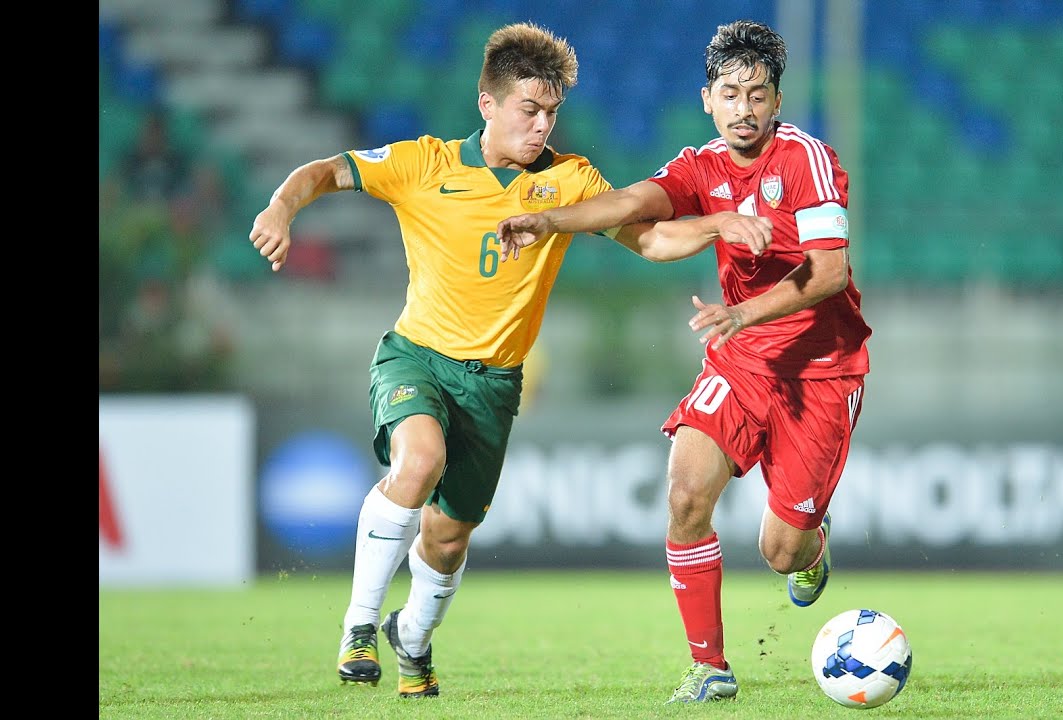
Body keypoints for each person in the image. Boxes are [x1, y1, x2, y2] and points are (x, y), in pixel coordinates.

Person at [247, 22, 773, 700]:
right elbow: (324, 171)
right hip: (416, 358)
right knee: (419, 461)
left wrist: (717, 225)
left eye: (553, 112)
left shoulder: (568, 180)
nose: (543, 125)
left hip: (494, 386)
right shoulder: (424, 164)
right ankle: (357, 628)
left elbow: (652, 241)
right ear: (487, 104)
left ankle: (412, 640)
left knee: (447, 538)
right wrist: (280, 208)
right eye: (530, 110)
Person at [496, 19, 873, 704]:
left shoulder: (807, 160)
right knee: (685, 493)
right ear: (708, 99)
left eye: (758, 95)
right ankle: (711, 668)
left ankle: (814, 546)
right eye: (730, 94)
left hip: (823, 371)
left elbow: (827, 274)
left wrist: (743, 313)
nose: (744, 109)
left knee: (781, 551)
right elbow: (631, 204)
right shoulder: (700, 167)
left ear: (777, 103)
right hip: (740, 365)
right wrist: (548, 221)